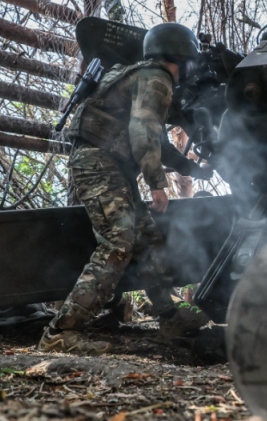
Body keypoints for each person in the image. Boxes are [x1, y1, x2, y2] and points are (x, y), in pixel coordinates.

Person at [39, 23, 211, 355]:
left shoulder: (141, 75)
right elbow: (143, 131)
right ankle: (61, 331)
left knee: (148, 239)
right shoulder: (157, 78)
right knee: (118, 242)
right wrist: (157, 183)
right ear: (182, 56)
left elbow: (157, 141)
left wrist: (194, 169)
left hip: (108, 163)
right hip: (100, 161)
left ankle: (170, 317)